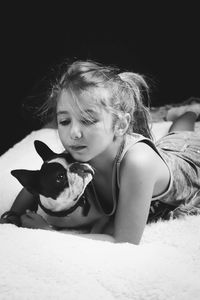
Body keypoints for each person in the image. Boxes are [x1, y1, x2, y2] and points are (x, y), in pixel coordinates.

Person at [1, 60, 200, 245]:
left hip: (189, 162)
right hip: (158, 155)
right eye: (64, 121)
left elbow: (125, 242)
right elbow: (33, 185)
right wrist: (13, 216)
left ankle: (188, 113)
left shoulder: (138, 163)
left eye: (88, 120)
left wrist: (49, 231)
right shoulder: (82, 148)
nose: (74, 133)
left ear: (121, 125)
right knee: (171, 138)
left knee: (180, 135)